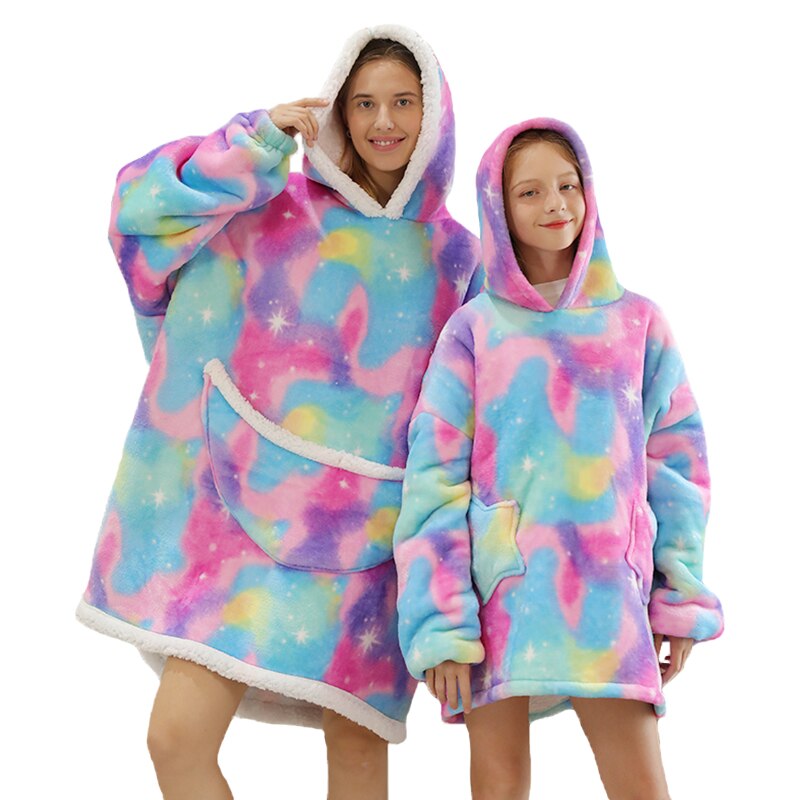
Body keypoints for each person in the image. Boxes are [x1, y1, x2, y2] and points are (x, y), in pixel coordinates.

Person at [76, 25, 483, 800]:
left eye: (404, 101)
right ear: (338, 110)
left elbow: (483, 425)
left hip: (375, 540)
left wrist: (461, 592)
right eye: (364, 103)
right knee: (175, 739)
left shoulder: (461, 261)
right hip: (232, 522)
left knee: (357, 760)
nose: (384, 121)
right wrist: (251, 145)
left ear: (435, 114)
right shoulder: (267, 209)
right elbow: (140, 216)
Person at [393, 119, 724, 800]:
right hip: (501, 594)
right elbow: (433, 483)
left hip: (608, 590)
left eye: (568, 186)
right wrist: (442, 624)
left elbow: (678, 470)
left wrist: (679, 596)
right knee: (499, 783)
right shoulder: (475, 329)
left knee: (641, 783)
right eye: (531, 192)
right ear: (498, 208)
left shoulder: (638, 324)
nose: (556, 205)